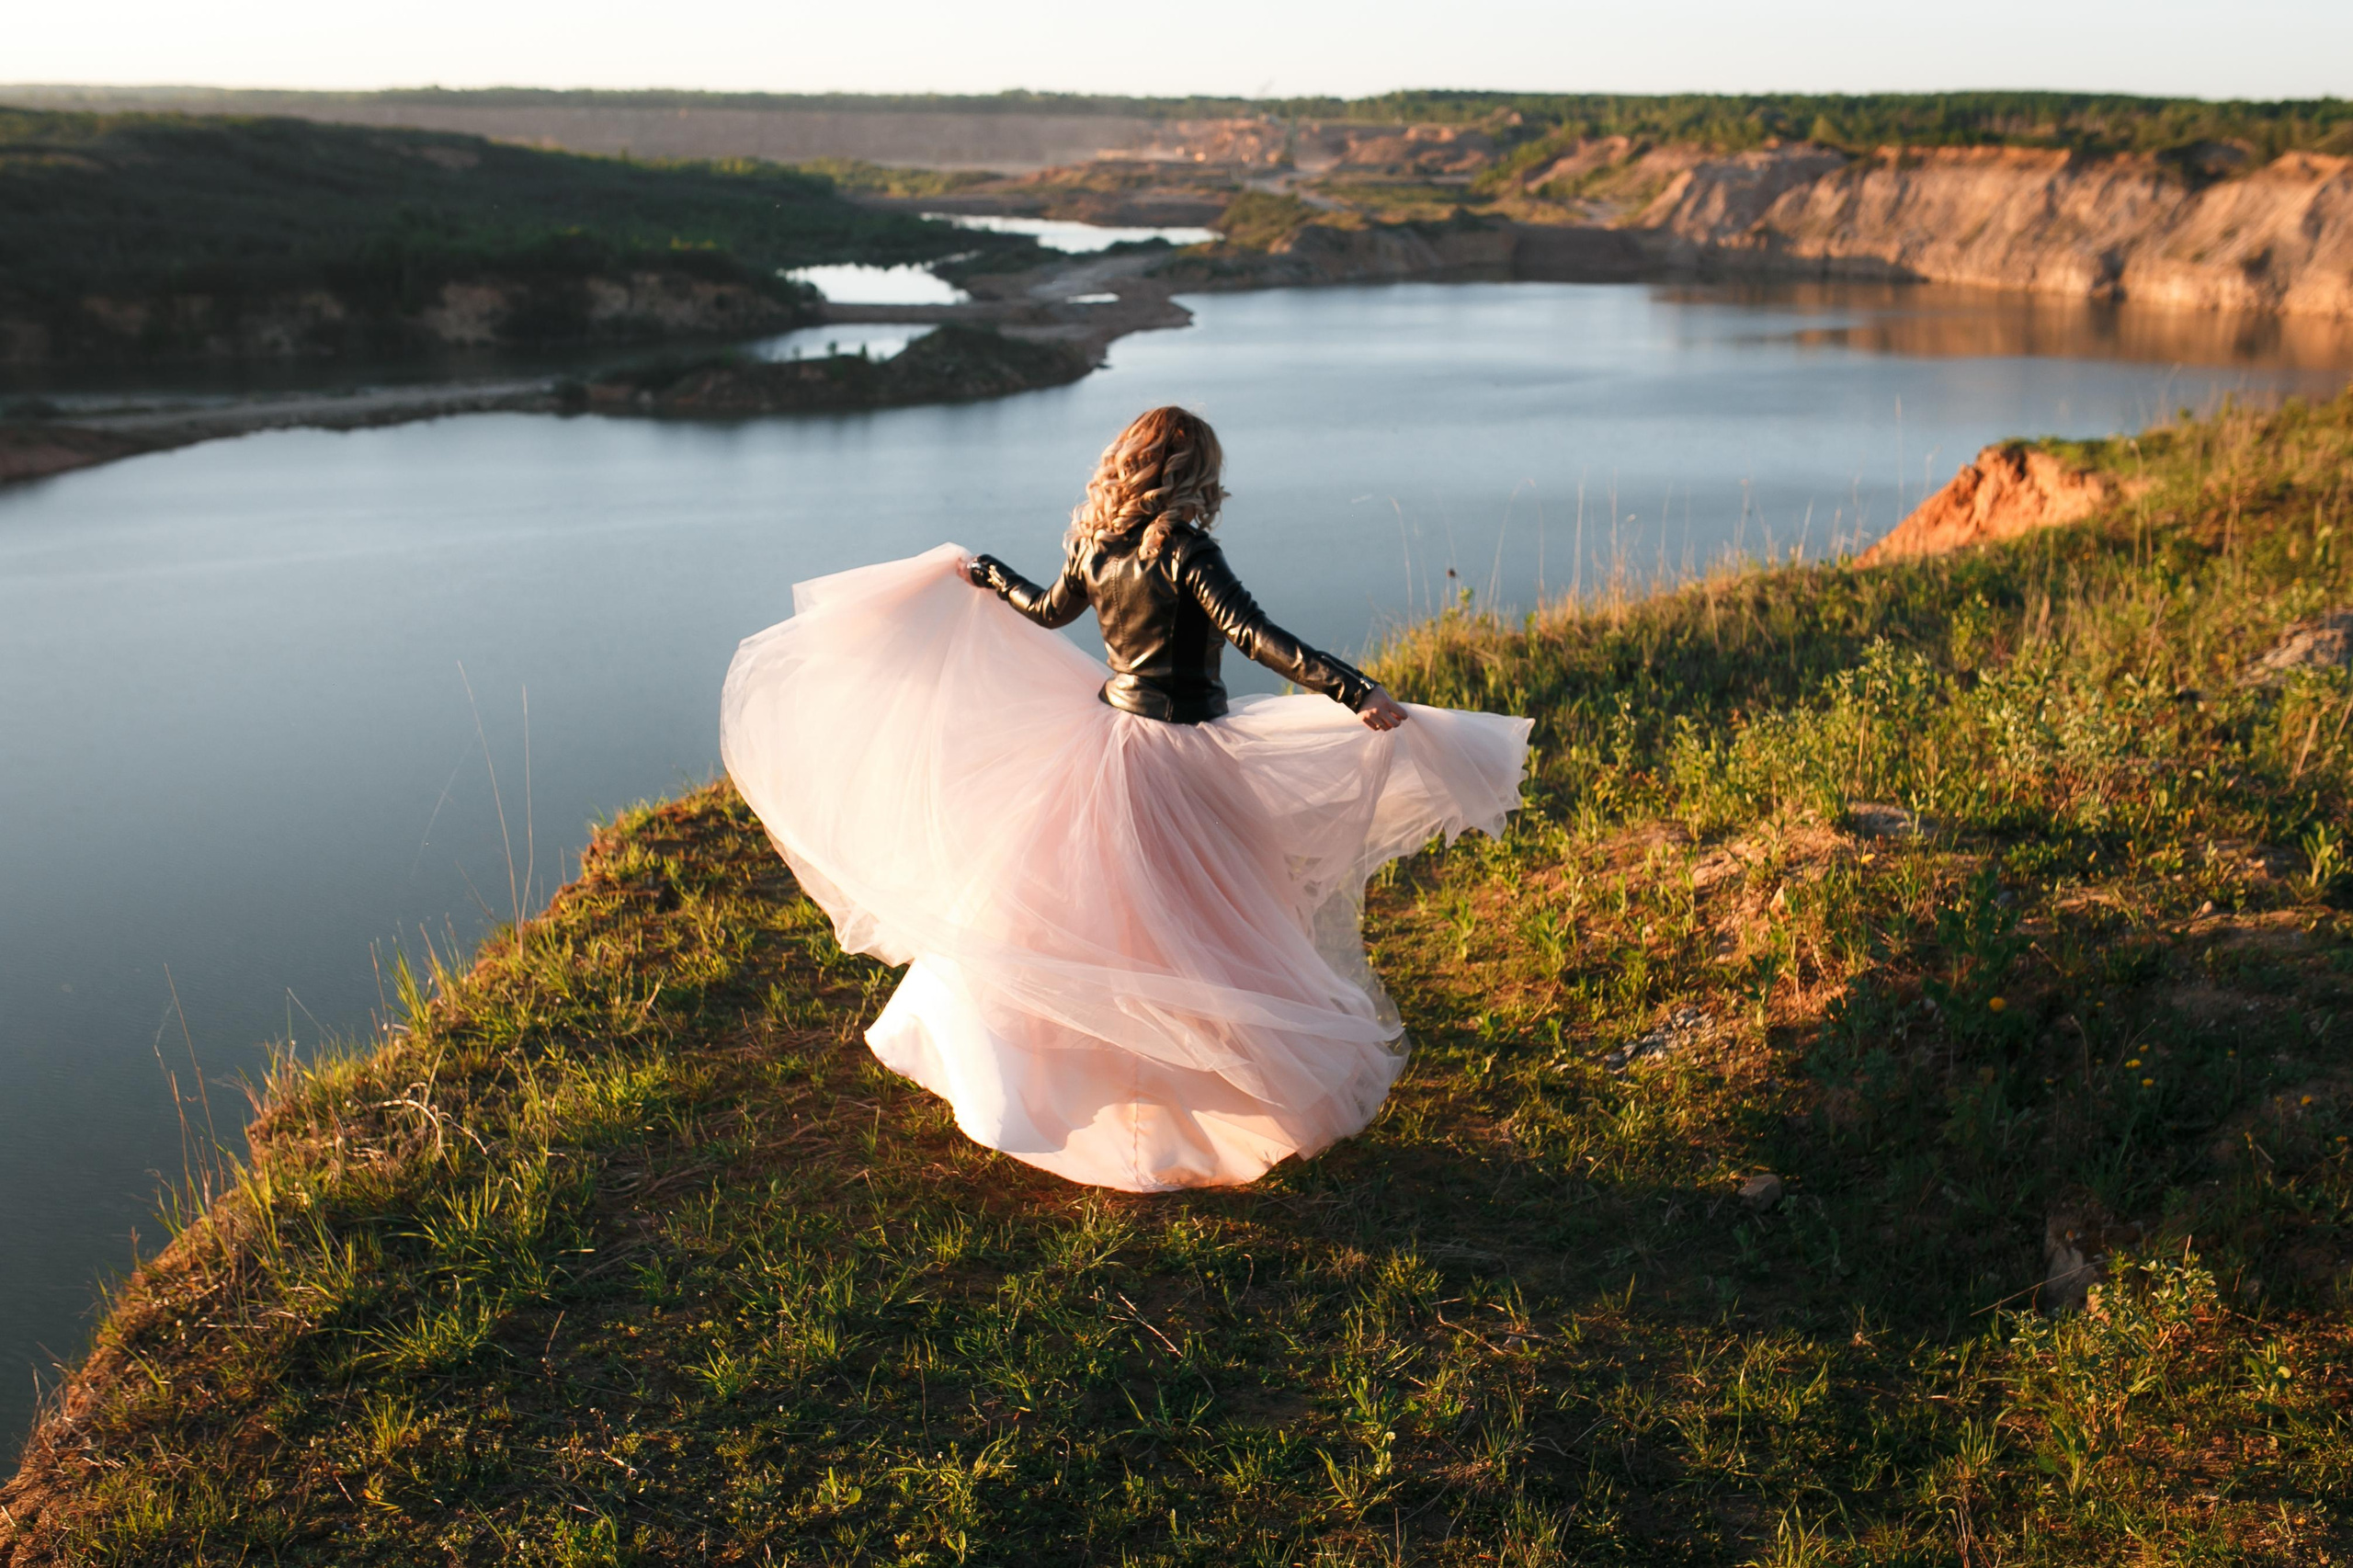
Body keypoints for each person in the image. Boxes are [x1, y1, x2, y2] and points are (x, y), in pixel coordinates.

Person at [722, 406, 1529, 1191]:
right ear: (1195, 475)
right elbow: (1254, 635)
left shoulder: (1095, 545)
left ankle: (1105, 1096)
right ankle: (1196, 1105)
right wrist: (1354, 690)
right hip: (1185, 756)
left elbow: (1046, 612)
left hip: (1112, 744)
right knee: (1207, 926)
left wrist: (988, 573)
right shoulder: (1185, 550)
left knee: (1118, 926)